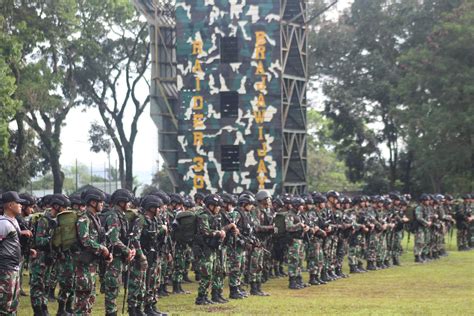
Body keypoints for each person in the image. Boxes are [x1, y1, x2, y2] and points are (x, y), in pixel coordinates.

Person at [73, 187, 112, 315]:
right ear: (93, 203)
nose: (102, 204)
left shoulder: (95, 218)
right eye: (100, 202)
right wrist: (102, 249)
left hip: (91, 266)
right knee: (82, 301)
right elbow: (85, 241)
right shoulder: (84, 219)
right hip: (83, 266)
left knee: (90, 299)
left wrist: (106, 253)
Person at [0, 191, 29, 315]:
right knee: (4, 305)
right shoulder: (3, 223)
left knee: (13, 304)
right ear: (10, 205)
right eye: (18, 203)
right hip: (5, 269)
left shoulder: (13, 220)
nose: (21, 205)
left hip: (14, 268)